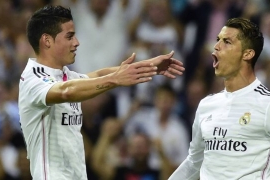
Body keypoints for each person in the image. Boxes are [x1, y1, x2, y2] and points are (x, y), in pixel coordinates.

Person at [18, 5, 184, 180]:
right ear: (47, 41)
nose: (77, 42)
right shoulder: (33, 78)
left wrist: (148, 67)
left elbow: (96, 75)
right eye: (69, 36)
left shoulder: (65, 75)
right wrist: (115, 79)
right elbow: (67, 91)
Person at [169, 18, 270, 180]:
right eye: (217, 40)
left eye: (227, 42)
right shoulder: (206, 105)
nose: (216, 46)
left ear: (248, 53)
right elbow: (194, 162)